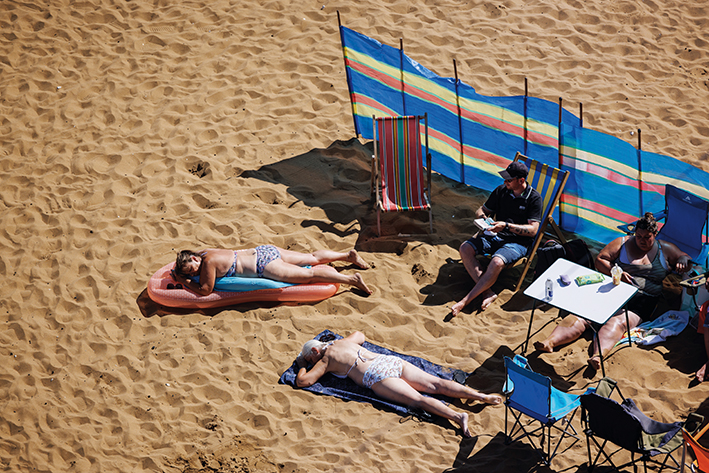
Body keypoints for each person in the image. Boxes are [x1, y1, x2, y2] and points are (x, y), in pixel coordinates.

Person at [534, 212, 690, 369]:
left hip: (643, 299)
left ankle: (598, 355)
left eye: (647, 237)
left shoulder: (664, 249)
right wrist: (617, 273)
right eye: (638, 236)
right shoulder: (623, 243)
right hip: (615, 290)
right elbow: (600, 260)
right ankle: (550, 342)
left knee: (617, 323)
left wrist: (683, 259)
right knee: (583, 315)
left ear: (655, 234)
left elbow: (685, 257)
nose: (642, 240)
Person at [295, 331, 502, 437]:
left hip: (376, 375)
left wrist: (302, 366)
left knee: (419, 400)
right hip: (389, 361)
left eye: (311, 359)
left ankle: (458, 416)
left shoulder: (325, 360)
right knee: (437, 383)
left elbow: (303, 381)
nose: (313, 363)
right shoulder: (342, 342)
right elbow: (360, 335)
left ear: (315, 351)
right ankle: (481, 396)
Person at [451, 161, 542, 316]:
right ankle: (487, 292)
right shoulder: (501, 190)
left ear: (521, 180)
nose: (505, 182)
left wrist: (505, 226)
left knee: (497, 262)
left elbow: (533, 230)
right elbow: (481, 209)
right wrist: (483, 219)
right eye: (504, 178)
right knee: (465, 248)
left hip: (517, 242)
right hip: (494, 235)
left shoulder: (534, 198)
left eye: (509, 179)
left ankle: (465, 301)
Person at [172, 246, 372, 296]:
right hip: (265, 250)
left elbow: (205, 290)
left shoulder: (208, 263)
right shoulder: (205, 252)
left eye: (191, 270)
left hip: (263, 266)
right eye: (190, 274)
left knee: (309, 275)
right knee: (312, 257)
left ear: (195, 259)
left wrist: (184, 281)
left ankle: (351, 279)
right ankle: (347, 256)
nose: (193, 274)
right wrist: (184, 269)